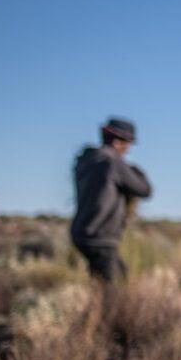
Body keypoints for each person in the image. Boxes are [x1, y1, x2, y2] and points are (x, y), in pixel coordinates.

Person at [70, 117, 152, 281]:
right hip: (101, 236)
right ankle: (107, 307)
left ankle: (95, 303)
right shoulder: (114, 164)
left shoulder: (86, 161)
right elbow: (144, 189)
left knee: (102, 279)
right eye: (127, 143)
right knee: (116, 287)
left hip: (81, 233)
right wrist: (134, 170)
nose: (127, 150)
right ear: (117, 141)